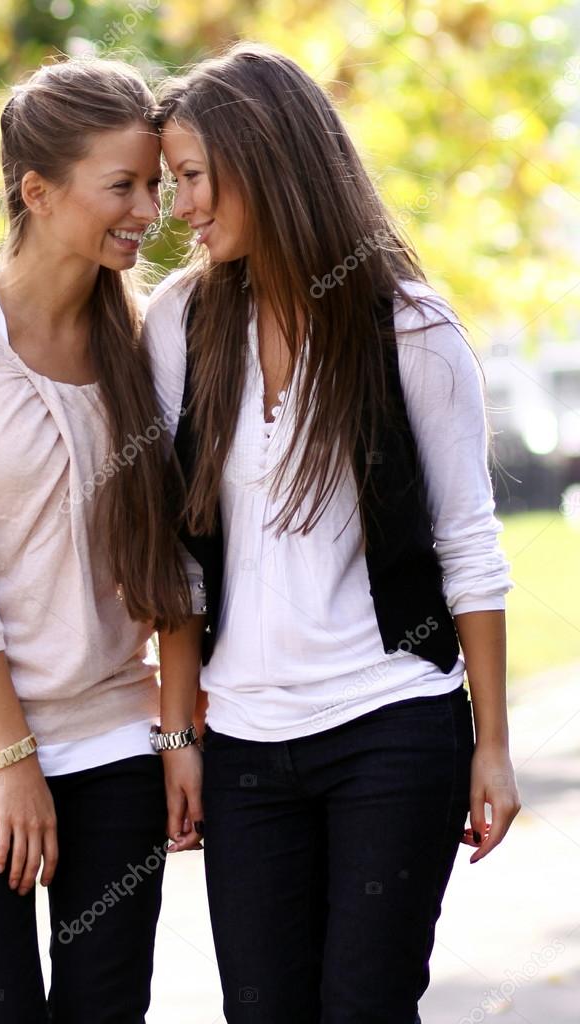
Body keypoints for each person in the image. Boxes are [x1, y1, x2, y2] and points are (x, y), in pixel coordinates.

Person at [144, 42, 521, 1023]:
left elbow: (469, 549)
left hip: (391, 723)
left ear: (263, 156)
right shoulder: (179, 323)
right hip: (244, 743)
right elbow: (176, 564)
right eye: (169, 181)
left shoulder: (409, 329)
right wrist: (180, 733)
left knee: (363, 1004)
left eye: (190, 176)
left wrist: (492, 744)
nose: (178, 205)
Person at [0, 57, 189, 1024]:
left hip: (111, 738)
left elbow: (183, 558)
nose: (151, 208)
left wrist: (179, 737)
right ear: (38, 191)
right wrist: (10, 759)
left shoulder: (151, 339)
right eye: (124, 186)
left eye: (157, 183)